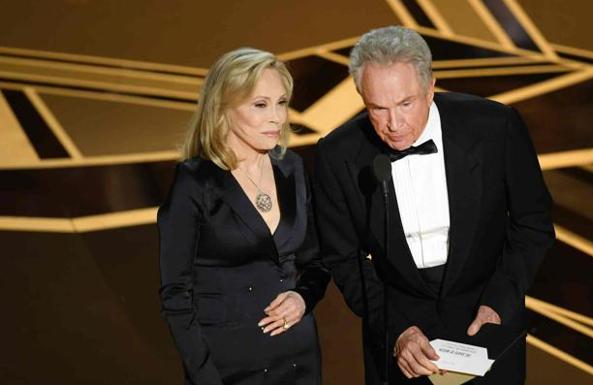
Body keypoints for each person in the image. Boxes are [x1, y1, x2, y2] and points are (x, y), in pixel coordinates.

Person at [314, 26, 554, 385]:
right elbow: (342, 257)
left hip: (486, 314)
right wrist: (395, 330)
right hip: (401, 331)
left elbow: (532, 223)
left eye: (405, 104)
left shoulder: (495, 127)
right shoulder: (338, 154)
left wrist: (499, 300)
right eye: (377, 108)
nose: (393, 125)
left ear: (430, 88)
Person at [158, 47, 330, 385]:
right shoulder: (195, 182)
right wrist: (205, 377)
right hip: (229, 370)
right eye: (260, 105)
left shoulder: (291, 167)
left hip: (299, 362)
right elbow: (176, 294)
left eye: (281, 103)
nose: (277, 118)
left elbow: (317, 262)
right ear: (223, 107)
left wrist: (303, 297)